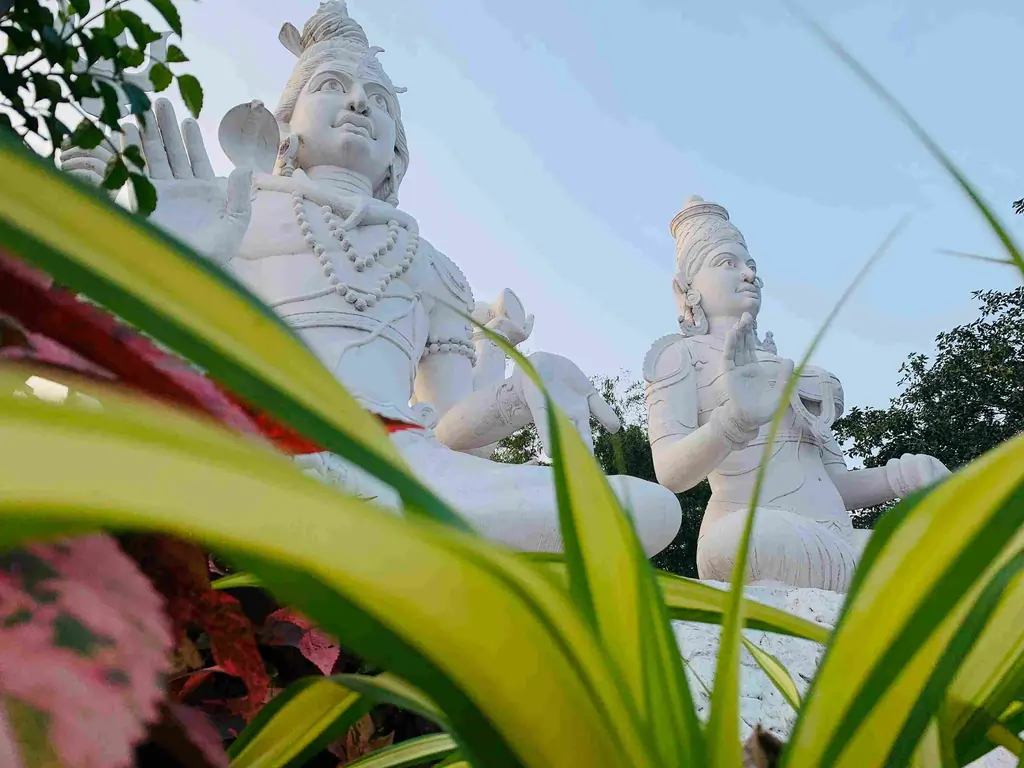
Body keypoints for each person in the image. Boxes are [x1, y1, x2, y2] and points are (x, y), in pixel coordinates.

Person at [61, 1, 682, 555]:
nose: (361, 103)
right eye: (333, 86)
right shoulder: (236, 207)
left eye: (381, 100)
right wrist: (159, 263)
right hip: (253, 446)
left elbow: (450, 426)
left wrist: (523, 393)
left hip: (401, 465)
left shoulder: (434, 268)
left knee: (645, 508)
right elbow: (127, 356)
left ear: (398, 146)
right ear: (285, 124)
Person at [643, 196, 949, 589]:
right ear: (685, 289)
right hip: (754, 535)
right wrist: (735, 421)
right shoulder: (681, 357)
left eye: (751, 265)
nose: (749, 275)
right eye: (727, 263)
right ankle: (862, 584)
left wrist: (903, 476)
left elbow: (832, 481)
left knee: (945, 558)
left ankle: (859, 577)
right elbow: (669, 472)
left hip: (835, 534)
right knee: (748, 540)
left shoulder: (794, 373)